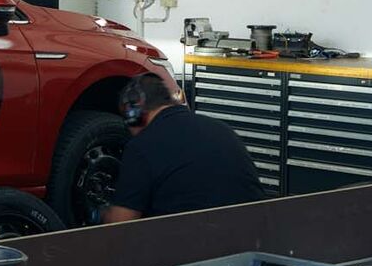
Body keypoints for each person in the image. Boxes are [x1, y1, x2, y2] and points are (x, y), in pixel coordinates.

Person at [103, 77, 264, 223]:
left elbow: (120, 224)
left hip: (198, 241)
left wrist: (100, 214)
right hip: (258, 234)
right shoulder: (221, 128)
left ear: (133, 113)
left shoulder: (141, 146)